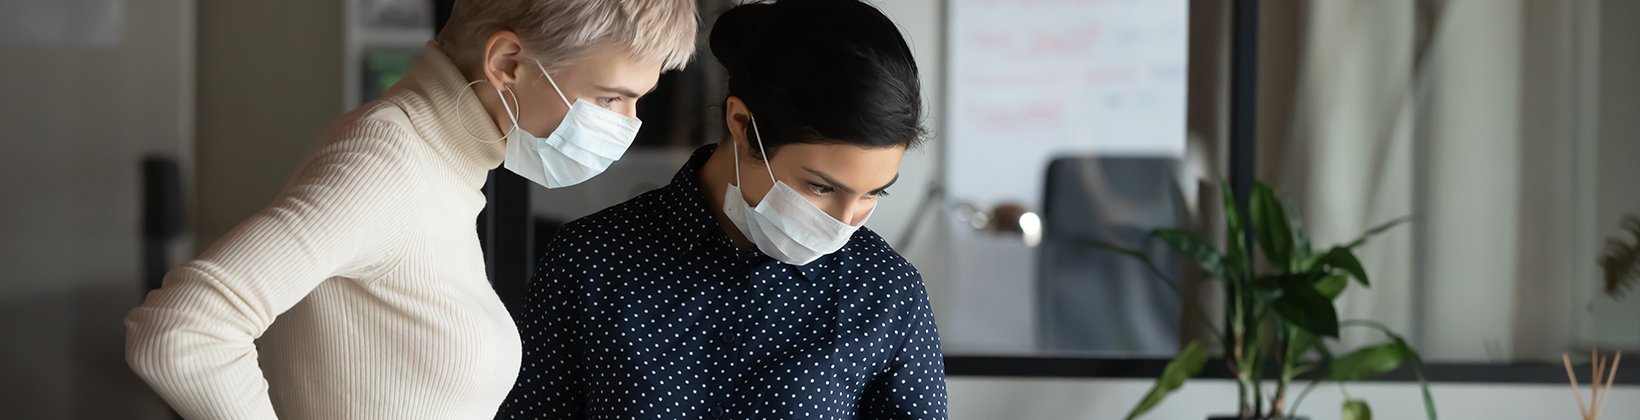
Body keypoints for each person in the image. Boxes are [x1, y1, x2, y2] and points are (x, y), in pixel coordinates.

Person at [123, 1, 697, 418]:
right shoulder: (389, 160)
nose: (626, 123)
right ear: (507, 63)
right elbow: (185, 330)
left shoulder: (440, 159)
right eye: (610, 97)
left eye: (638, 101)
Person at [498, 1, 948, 418]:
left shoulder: (884, 291)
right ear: (741, 124)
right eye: (819, 186)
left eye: (873, 193)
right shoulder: (591, 262)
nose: (843, 221)